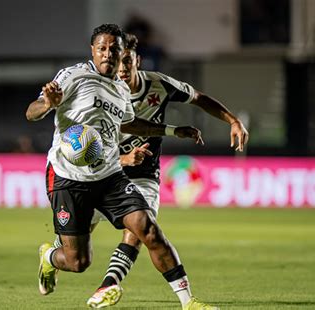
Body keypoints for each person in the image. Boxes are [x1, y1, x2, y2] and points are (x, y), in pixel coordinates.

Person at [26, 24, 217, 310]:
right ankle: (48, 257)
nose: (107, 54)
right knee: (78, 262)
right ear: (93, 50)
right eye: (101, 49)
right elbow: (31, 111)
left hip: (109, 174)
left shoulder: (119, 87)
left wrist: (172, 131)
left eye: (113, 49)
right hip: (68, 177)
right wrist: (48, 104)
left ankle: (189, 302)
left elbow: (128, 123)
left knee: (148, 229)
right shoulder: (73, 76)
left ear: (121, 52)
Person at [84, 33, 249, 308]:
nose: (122, 68)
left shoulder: (159, 84)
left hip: (145, 174)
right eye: (118, 61)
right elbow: (90, 141)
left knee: (142, 229)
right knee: (74, 251)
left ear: (137, 59)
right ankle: (52, 256)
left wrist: (232, 120)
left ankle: (112, 286)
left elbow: (199, 98)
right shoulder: (103, 91)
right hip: (108, 171)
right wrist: (122, 158)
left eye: (128, 60)